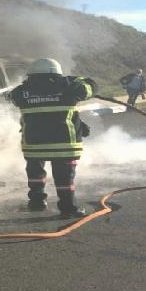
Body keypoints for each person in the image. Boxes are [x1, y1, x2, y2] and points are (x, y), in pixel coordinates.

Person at [10, 58, 98, 218]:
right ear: (56, 72)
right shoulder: (70, 86)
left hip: (34, 145)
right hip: (64, 143)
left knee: (35, 175)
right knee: (64, 179)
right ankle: (68, 208)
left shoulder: (20, 91)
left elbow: (11, 97)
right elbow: (91, 87)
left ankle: (37, 203)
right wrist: (76, 81)